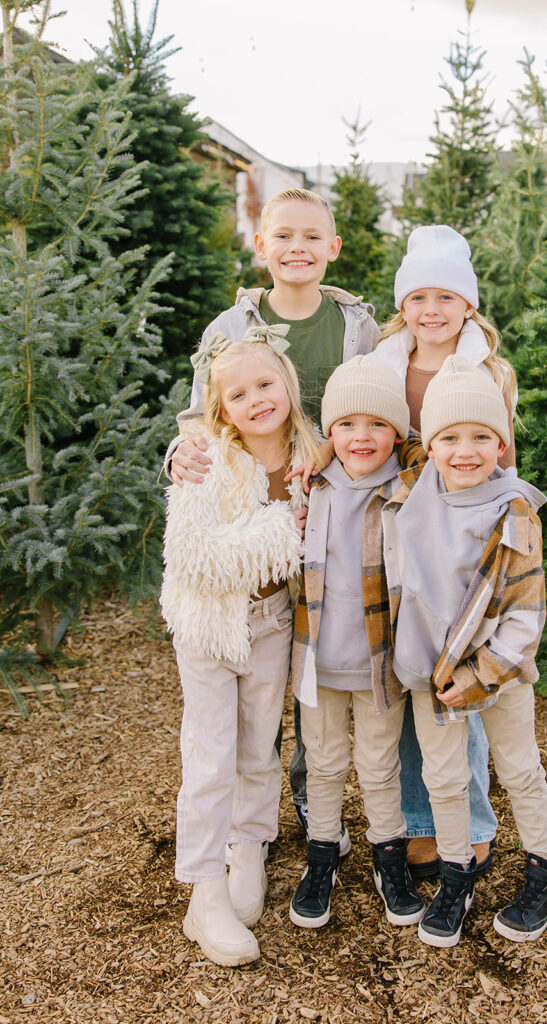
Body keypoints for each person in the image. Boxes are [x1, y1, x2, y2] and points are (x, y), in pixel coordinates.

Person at [167, 188, 379, 841]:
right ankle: (237, 828)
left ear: (332, 249)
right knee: (258, 670)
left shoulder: (354, 327)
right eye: (282, 236)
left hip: (328, 519)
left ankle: (313, 797)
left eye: (311, 237)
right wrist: (179, 449)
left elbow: (375, 410)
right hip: (251, 521)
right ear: (261, 247)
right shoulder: (227, 329)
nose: (297, 248)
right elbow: (200, 414)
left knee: (316, 664)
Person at [383, 356, 547, 948]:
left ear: (502, 442)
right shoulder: (415, 489)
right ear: (429, 445)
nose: (466, 451)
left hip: (498, 673)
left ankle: (546, 868)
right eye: (450, 437)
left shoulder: (514, 514)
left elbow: (524, 619)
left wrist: (481, 677)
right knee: (445, 779)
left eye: (482, 436)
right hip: (429, 672)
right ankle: (456, 876)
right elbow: (370, 441)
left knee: (517, 769)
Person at [160, 326, 322, 966]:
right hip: (208, 624)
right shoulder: (205, 458)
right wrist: (283, 526)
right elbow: (197, 560)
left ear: (287, 383)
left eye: (265, 384)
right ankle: (202, 890)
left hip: (272, 618)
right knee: (211, 750)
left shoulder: (313, 454)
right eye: (238, 393)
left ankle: (249, 843)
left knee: (260, 741)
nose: (256, 399)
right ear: (219, 408)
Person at [368, 224, 516, 879]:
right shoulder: (379, 366)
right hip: (395, 538)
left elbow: (499, 457)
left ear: (468, 306)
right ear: (401, 305)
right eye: (418, 295)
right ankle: (422, 821)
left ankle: (474, 822)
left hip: (457, 542)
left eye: (446, 297)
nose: (431, 309)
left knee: (457, 683)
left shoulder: (488, 371)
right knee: (405, 682)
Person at [288, 357, 424, 930]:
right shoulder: (312, 484)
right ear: (329, 433)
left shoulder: (410, 483)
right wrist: (317, 452)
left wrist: (411, 440)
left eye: (377, 424)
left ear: (397, 431)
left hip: (379, 661)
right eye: (346, 424)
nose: (361, 437)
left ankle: (387, 857)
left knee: (378, 764)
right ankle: (321, 857)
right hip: (318, 658)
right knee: (322, 764)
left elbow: (434, 448)